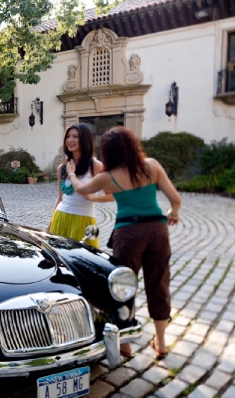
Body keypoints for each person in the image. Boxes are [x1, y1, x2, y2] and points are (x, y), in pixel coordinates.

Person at [66, 126, 181, 359]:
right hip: (158, 231)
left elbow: (80, 190)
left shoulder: (107, 177)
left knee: (123, 287)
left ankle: (125, 344)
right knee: (158, 283)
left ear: (108, 152)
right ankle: (160, 343)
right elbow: (175, 198)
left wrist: (70, 174)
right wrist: (172, 213)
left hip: (128, 234)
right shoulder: (152, 166)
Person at [48, 123, 112, 248]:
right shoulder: (62, 168)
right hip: (60, 218)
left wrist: (92, 198)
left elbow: (110, 195)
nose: (70, 140)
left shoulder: (96, 166)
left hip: (83, 220)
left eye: (75, 136)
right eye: (68, 136)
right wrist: (49, 226)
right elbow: (60, 198)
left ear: (84, 139)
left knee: (83, 262)